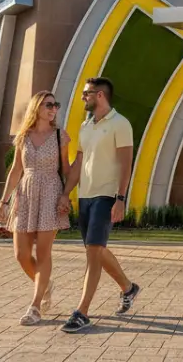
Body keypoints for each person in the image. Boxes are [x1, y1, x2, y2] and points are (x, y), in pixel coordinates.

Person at [59, 77, 141, 332]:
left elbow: (126, 163)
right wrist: (65, 194)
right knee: (96, 249)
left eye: (87, 94)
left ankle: (82, 311)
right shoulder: (86, 126)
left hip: (107, 196)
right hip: (86, 196)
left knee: (93, 251)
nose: (83, 97)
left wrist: (121, 198)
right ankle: (129, 288)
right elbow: (77, 166)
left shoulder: (120, 124)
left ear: (101, 95)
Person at [0, 91, 71, 325]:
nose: (53, 108)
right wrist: (3, 202)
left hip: (50, 192)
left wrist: (66, 196)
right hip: (26, 194)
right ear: (37, 107)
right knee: (21, 254)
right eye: (49, 104)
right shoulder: (24, 136)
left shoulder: (60, 136)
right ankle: (45, 285)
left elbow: (66, 170)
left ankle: (35, 306)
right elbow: (16, 170)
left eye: (55, 105)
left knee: (43, 254)